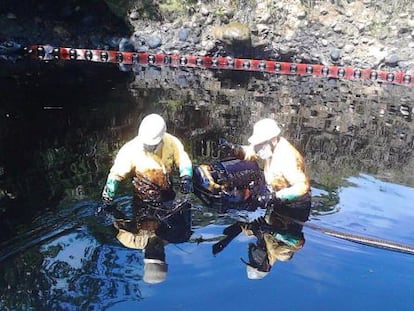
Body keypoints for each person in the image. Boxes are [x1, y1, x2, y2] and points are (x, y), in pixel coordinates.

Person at [101, 113, 193, 206]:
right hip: (143, 198)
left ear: (161, 139)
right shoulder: (130, 149)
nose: (148, 147)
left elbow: (183, 159)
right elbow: (115, 175)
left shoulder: (172, 142)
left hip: (167, 192)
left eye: (152, 146)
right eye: (147, 145)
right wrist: (108, 198)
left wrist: (186, 177)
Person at [220, 118, 310, 206]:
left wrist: (274, 197)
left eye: (260, 145)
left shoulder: (287, 157)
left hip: (293, 206)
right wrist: (233, 149)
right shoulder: (268, 148)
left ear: (273, 140)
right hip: (274, 193)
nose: (258, 149)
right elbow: (250, 152)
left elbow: (302, 187)